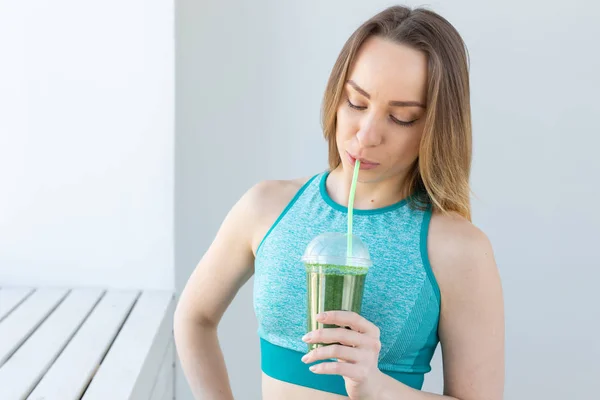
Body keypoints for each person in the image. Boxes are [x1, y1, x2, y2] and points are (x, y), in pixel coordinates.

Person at [174, 5, 504, 400]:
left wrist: (375, 386)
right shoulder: (265, 207)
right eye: (356, 102)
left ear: (435, 127)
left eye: (400, 118)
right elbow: (194, 317)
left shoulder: (460, 250)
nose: (365, 136)